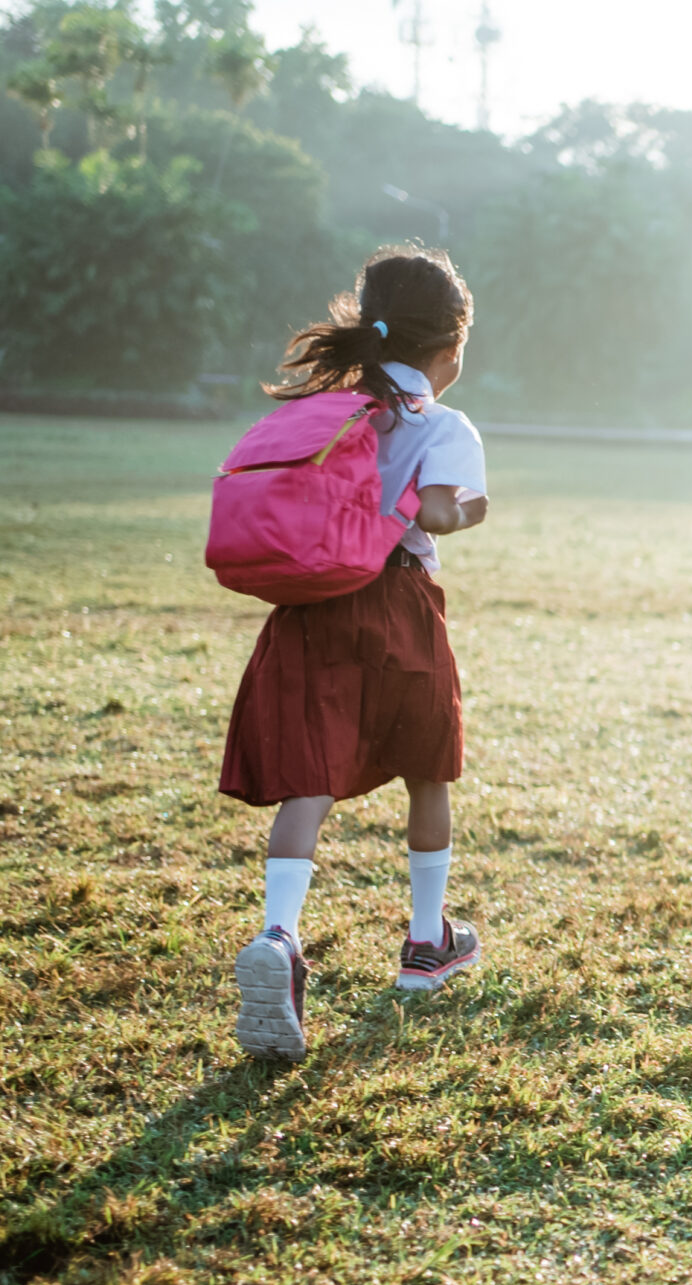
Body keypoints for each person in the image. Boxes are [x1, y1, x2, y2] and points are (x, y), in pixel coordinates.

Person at [219, 245, 491, 1062]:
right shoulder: (441, 423)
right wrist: (461, 509)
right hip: (395, 599)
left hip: (310, 609)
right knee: (428, 769)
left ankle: (279, 935)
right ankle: (424, 941)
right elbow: (440, 514)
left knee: (311, 780)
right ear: (450, 351)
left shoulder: (332, 409)